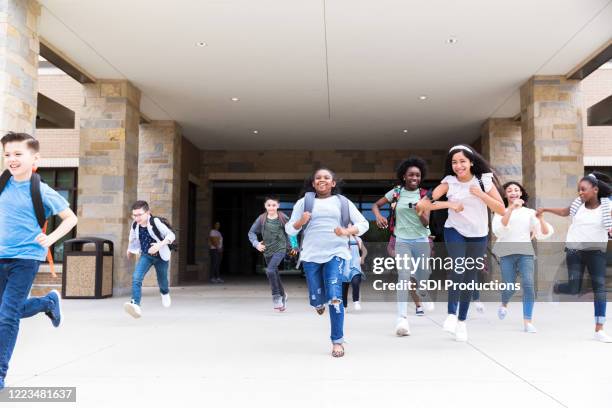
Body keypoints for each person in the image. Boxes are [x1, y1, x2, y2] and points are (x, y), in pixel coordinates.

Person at [0, 132, 78, 391]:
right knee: (5, 312)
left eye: (18, 154)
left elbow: (70, 218)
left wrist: (51, 238)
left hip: (26, 258)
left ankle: (0, 374)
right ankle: (47, 302)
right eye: (7, 154)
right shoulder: (1, 185)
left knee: (7, 316)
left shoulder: (41, 190)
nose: (12, 159)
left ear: (35, 158)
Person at [416, 144, 505, 341]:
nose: (458, 166)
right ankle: (450, 315)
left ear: (471, 162)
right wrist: (449, 204)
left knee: (469, 276)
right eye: (454, 162)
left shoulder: (484, 181)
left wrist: (481, 194)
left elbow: (501, 209)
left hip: (478, 234)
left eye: (462, 161)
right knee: (458, 268)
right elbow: (424, 204)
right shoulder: (449, 182)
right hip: (454, 230)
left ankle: (462, 322)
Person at [286, 168, 369, 357]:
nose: (322, 180)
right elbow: (290, 229)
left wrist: (346, 232)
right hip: (311, 255)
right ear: (313, 183)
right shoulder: (304, 203)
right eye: (318, 178)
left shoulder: (342, 202)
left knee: (335, 296)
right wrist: (300, 221)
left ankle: (337, 341)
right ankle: (317, 303)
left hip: (336, 253)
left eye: (326, 177)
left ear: (333, 183)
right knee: (317, 298)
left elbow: (364, 224)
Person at [537, 172, 612, 342]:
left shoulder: (607, 208)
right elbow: (565, 212)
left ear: (595, 190)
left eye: (583, 189)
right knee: (574, 289)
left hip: (596, 252)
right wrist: (546, 209)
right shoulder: (578, 204)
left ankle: (599, 329)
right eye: (578, 189)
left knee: (600, 289)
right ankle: (556, 287)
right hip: (574, 251)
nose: (580, 192)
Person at [372, 157, 433, 336]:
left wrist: (419, 210)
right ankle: (402, 318)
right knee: (403, 277)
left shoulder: (425, 195)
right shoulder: (396, 192)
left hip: (421, 239)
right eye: (411, 174)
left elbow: (425, 222)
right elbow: (376, 205)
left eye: (418, 175)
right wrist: (377, 216)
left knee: (423, 275)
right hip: (402, 240)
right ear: (404, 176)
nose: (415, 177)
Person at [492, 181, 554, 333]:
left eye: (516, 190)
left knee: (528, 284)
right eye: (509, 190)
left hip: (525, 253)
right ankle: (504, 303)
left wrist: (541, 218)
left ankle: (528, 322)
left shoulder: (529, 212)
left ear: (520, 194)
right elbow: (499, 230)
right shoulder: (500, 211)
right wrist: (511, 209)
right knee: (509, 286)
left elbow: (544, 233)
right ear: (505, 194)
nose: (513, 192)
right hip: (507, 254)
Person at [124, 201, 176, 319]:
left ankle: (164, 292)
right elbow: (132, 238)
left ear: (148, 213)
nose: (137, 218)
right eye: (134, 215)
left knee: (162, 280)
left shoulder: (155, 222)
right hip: (146, 256)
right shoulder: (135, 225)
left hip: (161, 256)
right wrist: (130, 250)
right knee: (136, 277)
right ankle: (135, 304)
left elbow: (171, 235)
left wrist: (159, 245)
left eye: (140, 215)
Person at [248, 196, 298, 311]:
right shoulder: (261, 218)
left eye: (274, 205)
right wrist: (256, 244)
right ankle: (283, 295)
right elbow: (251, 233)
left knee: (270, 270)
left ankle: (276, 297)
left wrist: (294, 245)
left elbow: (291, 231)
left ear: (278, 206)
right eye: (269, 205)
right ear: (265, 206)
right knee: (274, 272)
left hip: (280, 249)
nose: (271, 207)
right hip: (267, 250)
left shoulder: (283, 217)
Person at [342, 229, 367, 312]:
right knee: (344, 287)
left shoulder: (358, 239)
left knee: (356, 282)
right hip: (344, 265)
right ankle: (344, 306)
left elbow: (364, 250)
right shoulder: (340, 238)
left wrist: (362, 258)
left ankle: (356, 301)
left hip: (355, 265)